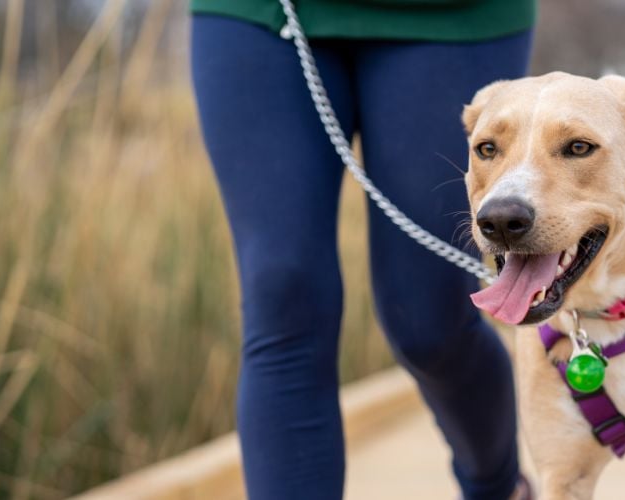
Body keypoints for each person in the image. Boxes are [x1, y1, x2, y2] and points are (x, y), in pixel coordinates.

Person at [190, 1, 535, 498]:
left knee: (428, 322)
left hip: (451, 15)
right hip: (260, 14)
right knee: (283, 294)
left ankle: (498, 487)